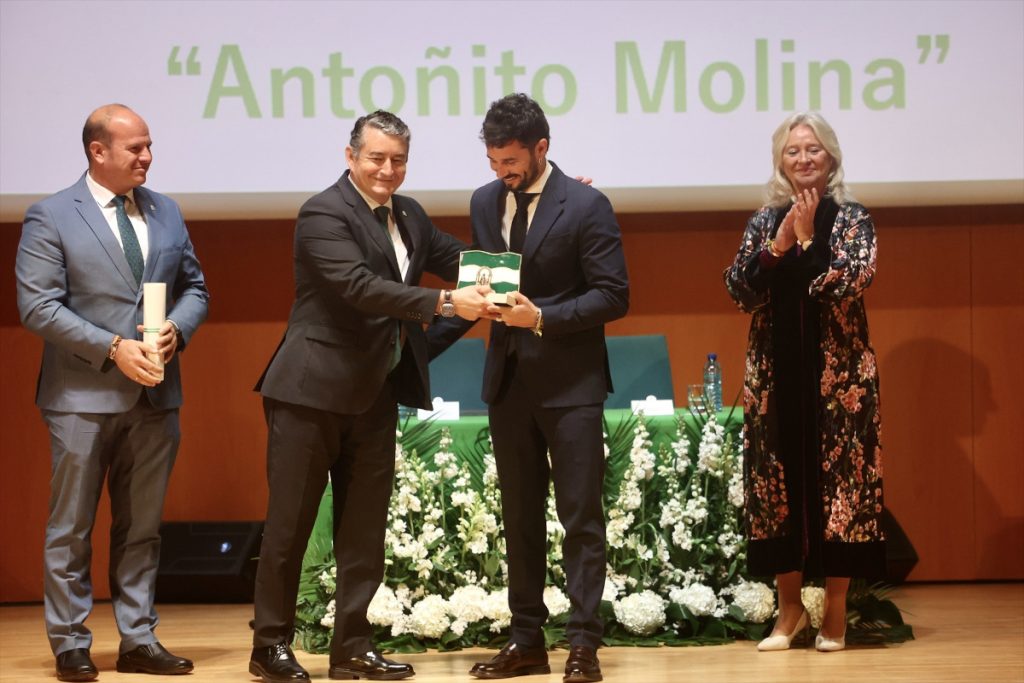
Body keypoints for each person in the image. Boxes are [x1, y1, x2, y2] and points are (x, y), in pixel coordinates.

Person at [248, 110, 494, 683]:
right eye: (377, 158)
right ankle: (269, 647)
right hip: (309, 394)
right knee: (291, 526)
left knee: (364, 532)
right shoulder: (323, 212)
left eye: (399, 160)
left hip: (376, 393)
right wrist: (446, 304)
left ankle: (352, 648)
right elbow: (360, 287)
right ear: (350, 155)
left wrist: (514, 256)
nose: (388, 170)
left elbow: (461, 259)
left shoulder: (408, 214)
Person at [430, 93, 629, 682]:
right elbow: (483, 290)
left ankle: (583, 646)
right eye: (493, 162)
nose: (502, 173)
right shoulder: (484, 202)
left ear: (542, 148)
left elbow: (613, 295)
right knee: (518, 518)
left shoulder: (588, 204)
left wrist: (540, 316)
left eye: (511, 161)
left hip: (571, 386)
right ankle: (526, 641)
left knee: (580, 518)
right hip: (508, 384)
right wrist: (416, 347)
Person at [15, 104, 209, 681]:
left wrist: (178, 327)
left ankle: (138, 639)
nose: (148, 157)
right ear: (98, 151)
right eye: (136, 148)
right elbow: (37, 305)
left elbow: (195, 287)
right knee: (71, 527)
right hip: (81, 398)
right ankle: (71, 642)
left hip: (156, 394)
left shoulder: (167, 211)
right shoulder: (50, 215)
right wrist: (111, 347)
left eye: (149, 146)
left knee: (142, 527)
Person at [723, 112, 886, 653]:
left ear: (831, 157)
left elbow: (848, 281)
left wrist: (812, 239)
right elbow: (739, 290)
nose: (803, 159)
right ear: (780, 162)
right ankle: (789, 609)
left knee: (843, 488)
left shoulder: (853, 218)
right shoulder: (764, 220)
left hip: (840, 381)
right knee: (775, 489)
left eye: (813, 149)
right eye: (792, 151)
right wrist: (776, 246)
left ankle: (835, 609)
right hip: (775, 377)